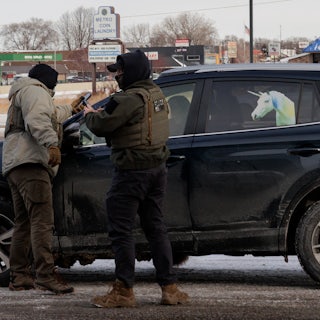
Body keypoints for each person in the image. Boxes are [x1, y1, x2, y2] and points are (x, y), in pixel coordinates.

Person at [84, 49, 189, 308]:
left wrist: (88, 113)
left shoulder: (129, 99)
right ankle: (170, 287)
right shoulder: (155, 93)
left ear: (130, 72)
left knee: (121, 231)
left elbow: (101, 126)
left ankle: (123, 291)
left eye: (120, 71)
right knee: (156, 228)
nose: (117, 75)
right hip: (157, 169)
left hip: (132, 172)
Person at [2, 63, 85, 294]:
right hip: (31, 164)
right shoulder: (35, 90)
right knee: (42, 221)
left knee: (24, 223)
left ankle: (19, 276)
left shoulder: (27, 91)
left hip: (16, 164)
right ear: (47, 80)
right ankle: (46, 275)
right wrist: (51, 144)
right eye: (55, 81)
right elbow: (38, 119)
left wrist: (71, 109)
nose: (56, 86)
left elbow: (50, 114)